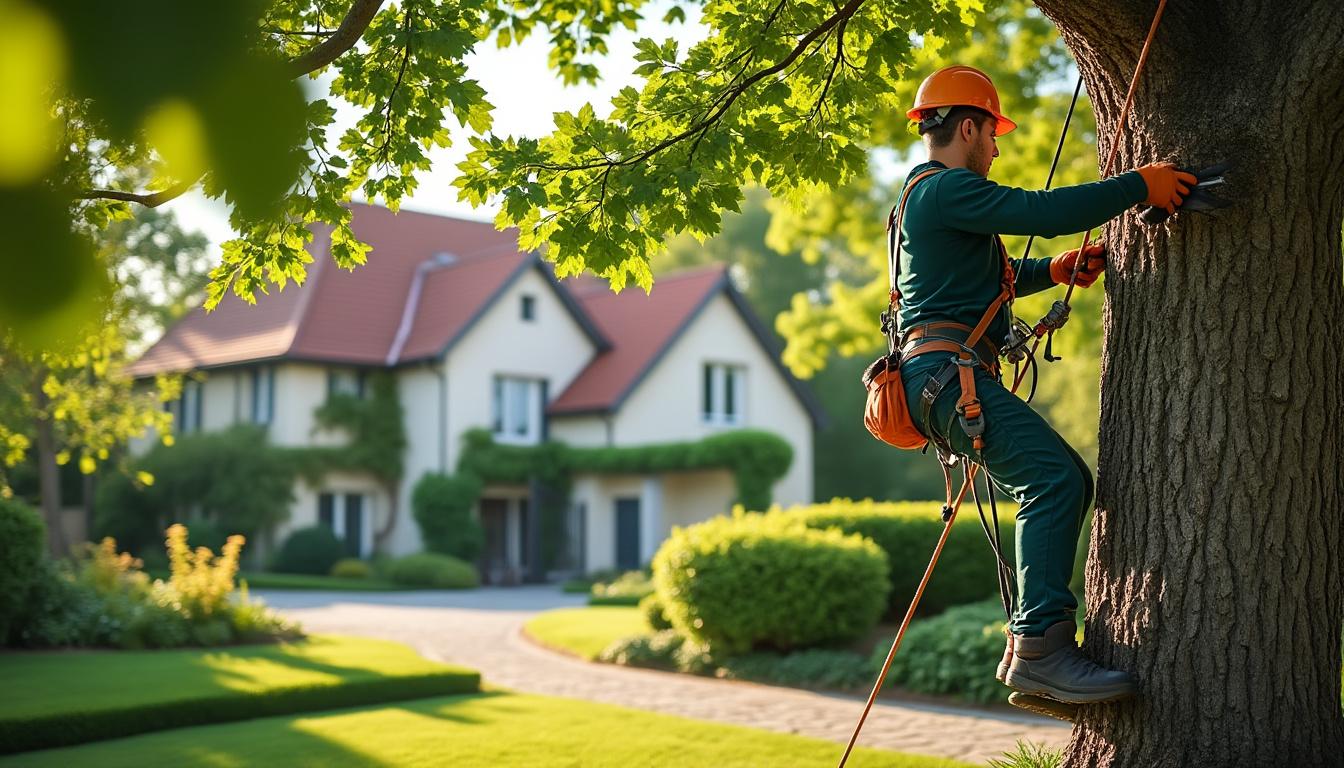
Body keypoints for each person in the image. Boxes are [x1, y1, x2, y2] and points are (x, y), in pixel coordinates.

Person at [892, 65, 1195, 712]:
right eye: (993, 134)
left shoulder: (934, 198)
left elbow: (978, 279)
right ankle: (1040, 650)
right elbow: (1042, 211)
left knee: (1061, 479)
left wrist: (1050, 271)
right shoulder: (945, 189)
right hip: (949, 376)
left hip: (942, 375)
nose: (997, 147)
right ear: (967, 126)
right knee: (1054, 481)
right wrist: (1141, 182)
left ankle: (1038, 647)